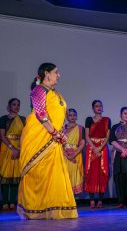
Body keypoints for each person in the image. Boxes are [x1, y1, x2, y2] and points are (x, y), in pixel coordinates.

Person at [17, 62, 78, 219]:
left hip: (53, 138)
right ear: (46, 73)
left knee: (53, 175)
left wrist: (61, 132)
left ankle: (54, 208)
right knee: (38, 173)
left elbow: (59, 117)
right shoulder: (38, 90)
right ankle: (34, 210)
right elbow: (40, 114)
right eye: (56, 72)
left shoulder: (56, 93)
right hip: (38, 136)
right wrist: (55, 133)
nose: (58, 75)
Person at [0, 98, 26, 211]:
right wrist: (12, 149)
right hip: (7, 148)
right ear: (9, 106)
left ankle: (13, 202)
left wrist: (19, 149)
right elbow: (2, 135)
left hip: (19, 148)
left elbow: (24, 136)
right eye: (14, 104)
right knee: (5, 175)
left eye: (18, 105)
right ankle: (5, 202)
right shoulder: (4, 118)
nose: (16, 106)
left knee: (16, 175)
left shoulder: (23, 119)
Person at [84, 100, 111, 209]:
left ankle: (100, 200)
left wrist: (100, 147)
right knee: (91, 172)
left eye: (100, 106)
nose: (99, 108)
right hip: (91, 148)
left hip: (102, 148)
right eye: (96, 106)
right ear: (93, 108)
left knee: (102, 172)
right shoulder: (89, 120)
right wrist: (94, 148)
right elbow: (86, 135)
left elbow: (107, 136)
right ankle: (91, 201)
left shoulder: (106, 120)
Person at [63, 108, 85, 196]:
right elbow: (59, 143)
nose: (72, 117)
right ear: (67, 117)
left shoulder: (80, 128)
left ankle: (73, 201)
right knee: (64, 177)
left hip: (75, 155)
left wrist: (73, 155)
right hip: (64, 156)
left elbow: (82, 143)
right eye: (70, 115)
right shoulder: (62, 128)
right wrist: (66, 155)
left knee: (74, 176)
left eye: (74, 115)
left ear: (76, 117)